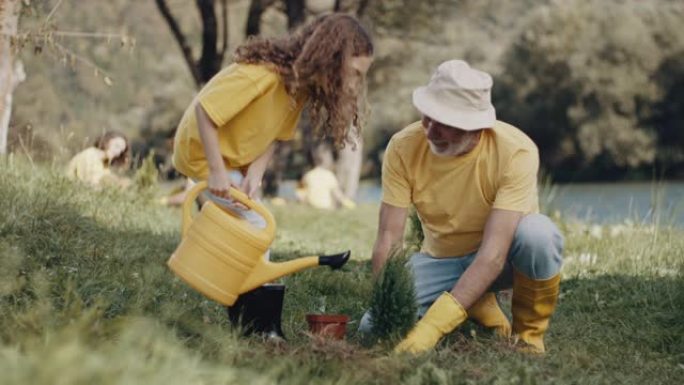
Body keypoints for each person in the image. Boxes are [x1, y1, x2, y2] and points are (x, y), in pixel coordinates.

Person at [362, 60, 564, 354]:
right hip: (440, 261)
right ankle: (477, 302)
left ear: (476, 127)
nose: (430, 131)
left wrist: (431, 329)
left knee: (539, 234)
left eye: (444, 124)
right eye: (428, 117)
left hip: (502, 261)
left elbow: (493, 255)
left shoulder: (516, 151)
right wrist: (383, 300)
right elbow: (388, 238)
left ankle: (528, 337)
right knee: (373, 327)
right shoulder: (402, 146)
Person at [172, 13, 373, 227]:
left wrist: (255, 174)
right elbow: (205, 111)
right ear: (329, 59)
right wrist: (217, 171)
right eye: (354, 73)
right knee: (258, 226)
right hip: (200, 154)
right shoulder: (263, 75)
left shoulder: (297, 90)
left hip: (229, 162)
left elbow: (276, 137)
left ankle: (209, 251)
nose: (354, 84)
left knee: (249, 221)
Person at [296, 144, 356, 210]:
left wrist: (302, 201)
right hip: (326, 206)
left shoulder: (307, 175)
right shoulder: (329, 175)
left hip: (311, 205)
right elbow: (338, 195)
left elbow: (300, 193)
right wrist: (347, 203)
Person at [66, 131, 131, 189]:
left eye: (121, 150)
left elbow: (105, 178)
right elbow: (89, 182)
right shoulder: (90, 154)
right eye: (117, 146)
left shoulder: (105, 161)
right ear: (107, 141)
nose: (118, 152)